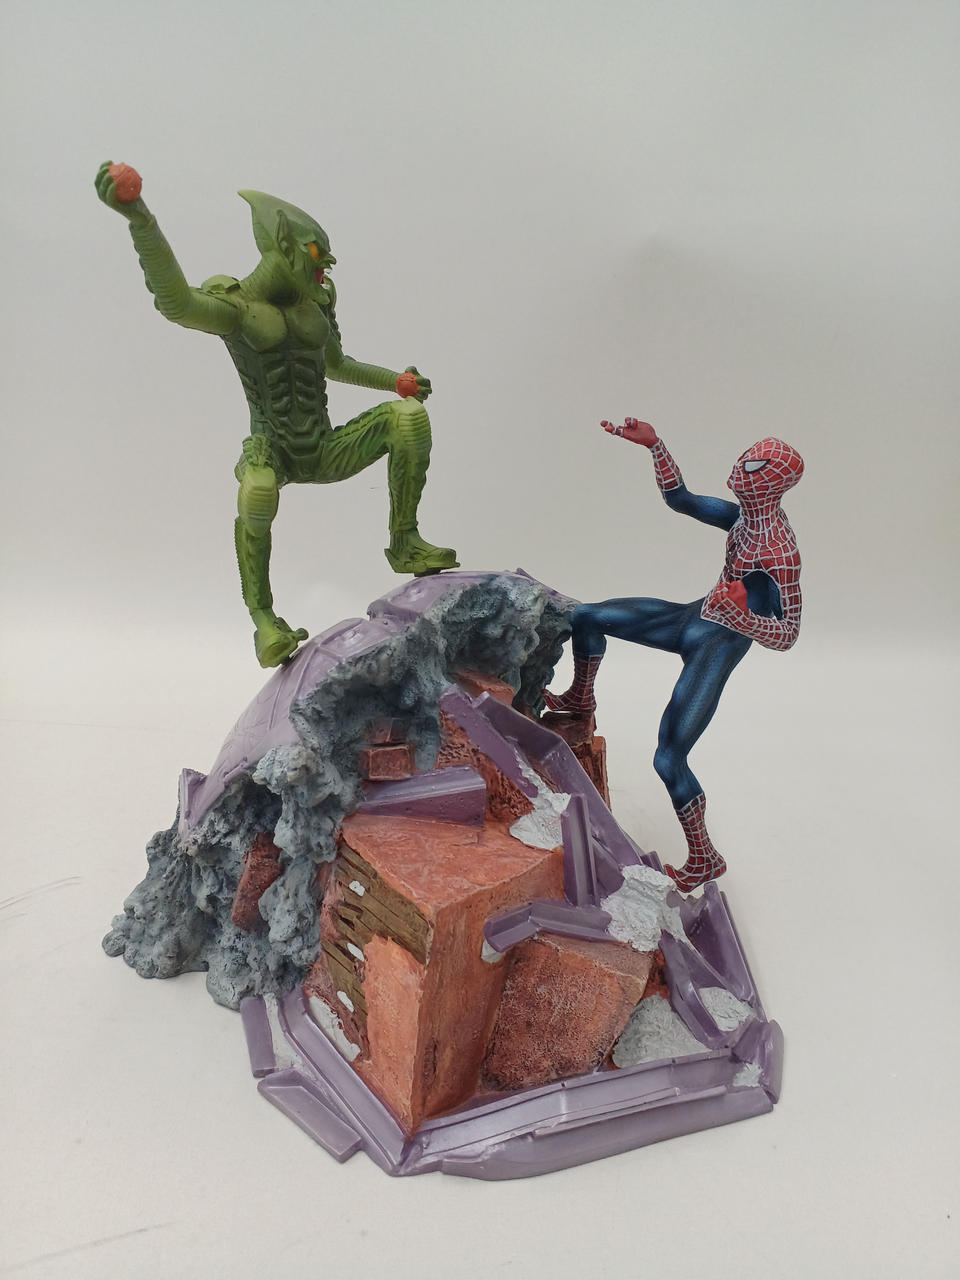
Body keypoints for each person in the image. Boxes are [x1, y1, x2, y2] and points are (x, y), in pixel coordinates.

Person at [545, 418, 803, 890]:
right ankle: (581, 696)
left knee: (669, 759)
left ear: (774, 481)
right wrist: (655, 446)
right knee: (586, 616)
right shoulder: (743, 520)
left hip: (715, 648)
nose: (738, 468)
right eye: (743, 458)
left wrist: (741, 618)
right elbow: (679, 498)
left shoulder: (779, 552)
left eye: (753, 466)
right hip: (692, 619)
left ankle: (704, 857)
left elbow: (788, 635)